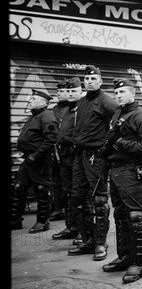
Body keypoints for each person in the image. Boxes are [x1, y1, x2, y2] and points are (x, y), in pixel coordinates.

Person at [99, 78, 142, 283]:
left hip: (131, 171)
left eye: (123, 92)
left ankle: (138, 263)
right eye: (117, 93)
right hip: (115, 171)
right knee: (121, 215)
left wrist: (121, 142)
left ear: (133, 93)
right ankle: (124, 257)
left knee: (135, 216)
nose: (119, 95)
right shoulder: (117, 114)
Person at [68, 65, 118, 261]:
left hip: (96, 157)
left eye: (93, 78)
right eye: (86, 79)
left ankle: (100, 243)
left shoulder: (107, 102)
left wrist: (106, 151)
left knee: (99, 200)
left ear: (100, 81)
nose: (89, 81)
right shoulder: (81, 102)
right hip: (79, 156)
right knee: (78, 198)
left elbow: (116, 128)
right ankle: (88, 240)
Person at [10, 89, 58, 233]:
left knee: (43, 190)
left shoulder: (47, 117)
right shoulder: (35, 116)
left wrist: (36, 156)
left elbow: (50, 140)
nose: (29, 101)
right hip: (29, 159)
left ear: (43, 102)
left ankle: (43, 222)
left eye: (33, 99)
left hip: (41, 160)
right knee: (19, 187)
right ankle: (15, 220)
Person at [52, 77, 84, 240]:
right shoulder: (65, 110)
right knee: (67, 192)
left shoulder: (83, 109)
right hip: (64, 155)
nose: (70, 94)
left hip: (77, 154)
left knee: (80, 193)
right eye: (68, 91)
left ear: (81, 92)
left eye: (73, 91)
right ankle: (71, 226)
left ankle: (82, 230)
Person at [48, 79, 69, 221]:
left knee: (67, 181)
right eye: (58, 92)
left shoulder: (74, 108)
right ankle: (58, 208)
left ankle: (69, 210)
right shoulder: (54, 109)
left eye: (62, 91)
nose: (59, 94)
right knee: (56, 180)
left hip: (68, 150)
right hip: (55, 149)